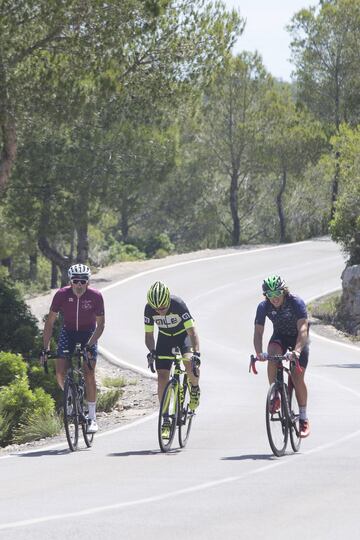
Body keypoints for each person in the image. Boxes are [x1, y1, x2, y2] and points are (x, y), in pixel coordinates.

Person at [41, 264, 105, 433]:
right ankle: (70, 394)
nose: (79, 285)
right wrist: (45, 348)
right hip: (68, 332)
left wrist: (90, 346)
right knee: (60, 371)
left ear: (88, 282)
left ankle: (92, 418)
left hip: (89, 334)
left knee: (89, 372)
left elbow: (101, 325)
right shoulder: (61, 295)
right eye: (75, 281)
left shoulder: (96, 296)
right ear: (70, 281)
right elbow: (50, 322)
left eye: (83, 281)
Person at [253, 275, 310, 438]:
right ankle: (275, 395)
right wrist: (259, 353)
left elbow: (303, 330)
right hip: (280, 337)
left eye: (277, 293)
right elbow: (258, 332)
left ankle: (304, 417)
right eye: (270, 295)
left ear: (284, 291)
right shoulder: (263, 307)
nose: (274, 298)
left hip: (299, 338)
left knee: (297, 377)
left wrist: (297, 351)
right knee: (272, 355)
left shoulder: (296, 302)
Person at [144, 281, 201, 437]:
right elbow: (149, 335)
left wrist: (197, 353)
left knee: (189, 363)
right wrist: (152, 351)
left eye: (162, 307)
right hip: (165, 339)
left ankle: (195, 389)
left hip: (184, 336)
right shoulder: (149, 309)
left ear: (168, 301)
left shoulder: (178, 304)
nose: (160, 311)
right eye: (157, 309)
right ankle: (165, 419)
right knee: (162, 377)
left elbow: (192, 331)